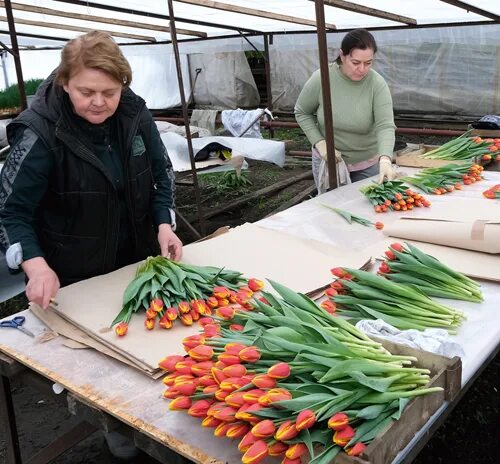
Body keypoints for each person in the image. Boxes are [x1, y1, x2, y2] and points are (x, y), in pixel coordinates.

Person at [0, 31, 182, 311]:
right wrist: (36, 267)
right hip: (71, 281)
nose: (99, 102)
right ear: (65, 83)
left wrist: (163, 224)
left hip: (138, 266)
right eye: (86, 92)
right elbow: (10, 212)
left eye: (110, 92)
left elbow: (162, 173)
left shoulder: (134, 114)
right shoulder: (40, 132)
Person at [295, 28, 396, 187]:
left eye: (368, 63)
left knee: (368, 207)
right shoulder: (323, 77)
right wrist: (320, 142)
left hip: (367, 162)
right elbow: (302, 112)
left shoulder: (376, 84)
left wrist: (385, 159)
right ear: (342, 56)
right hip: (329, 161)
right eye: (355, 62)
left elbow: (385, 125)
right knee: (332, 207)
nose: (362, 69)